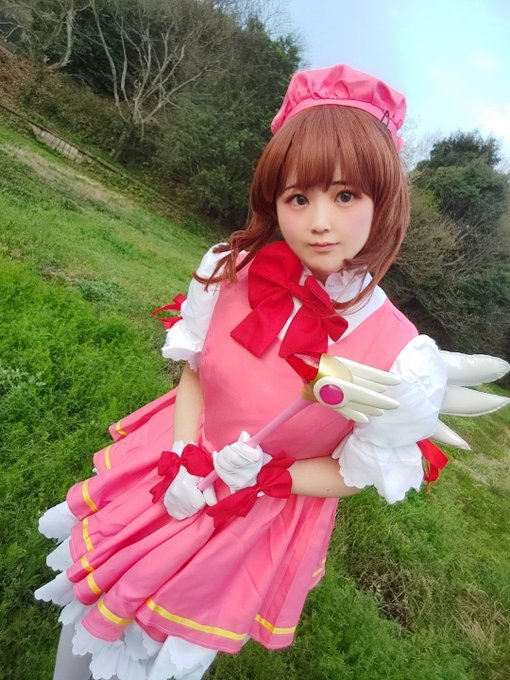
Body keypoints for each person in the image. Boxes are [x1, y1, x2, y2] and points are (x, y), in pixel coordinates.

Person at [34, 64, 507, 680]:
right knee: (94, 602)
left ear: (383, 199)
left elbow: (353, 472)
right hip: (174, 464)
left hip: (252, 514)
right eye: (298, 197)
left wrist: (265, 476)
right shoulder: (229, 271)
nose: (319, 221)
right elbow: (196, 377)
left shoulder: (403, 355)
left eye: (345, 196)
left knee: (160, 649)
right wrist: (183, 456)